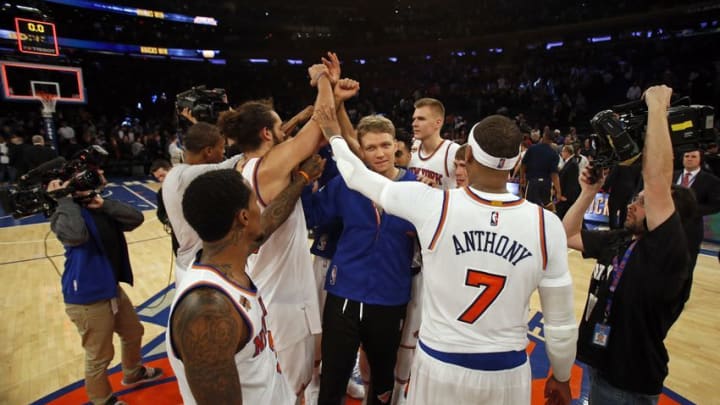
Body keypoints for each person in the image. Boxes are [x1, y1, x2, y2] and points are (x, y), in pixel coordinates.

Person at [314, 105, 578, 405]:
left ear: (467, 158)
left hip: (441, 363)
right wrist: (561, 375)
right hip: (507, 369)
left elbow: (355, 175)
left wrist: (334, 135)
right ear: (518, 161)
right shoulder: (548, 225)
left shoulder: (431, 204)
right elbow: (561, 323)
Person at [562, 85, 696, 404]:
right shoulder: (621, 239)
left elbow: (658, 178)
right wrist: (588, 193)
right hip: (597, 364)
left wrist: (657, 107)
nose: (632, 205)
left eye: (642, 201)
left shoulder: (666, 251)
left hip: (629, 382)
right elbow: (567, 235)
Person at [215, 63, 331, 400]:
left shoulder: (242, 166)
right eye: (279, 128)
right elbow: (322, 122)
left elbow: (309, 130)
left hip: (267, 287)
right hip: (282, 299)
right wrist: (323, 79)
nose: (285, 133)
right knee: (289, 388)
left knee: (286, 382)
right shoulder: (270, 167)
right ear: (267, 133)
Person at [167, 155, 324, 404]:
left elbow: (270, 219)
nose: (261, 208)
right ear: (243, 217)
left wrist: (302, 179)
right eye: (255, 202)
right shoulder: (207, 310)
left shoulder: (230, 256)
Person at [303, 115, 417, 405]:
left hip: (390, 299)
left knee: (381, 381)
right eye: (370, 148)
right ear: (361, 152)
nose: (379, 153)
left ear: (396, 146)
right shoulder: (346, 185)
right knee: (333, 378)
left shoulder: (417, 191)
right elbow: (313, 216)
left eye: (385, 145)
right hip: (344, 295)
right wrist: (304, 183)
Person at [48, 174, 162, 405]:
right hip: (86, 297)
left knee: (133, 332)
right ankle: (102, 399)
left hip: (110, 287)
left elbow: (136, 218)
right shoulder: (63, 215)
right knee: (99, 356)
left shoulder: (98, 207)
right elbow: (76, 236)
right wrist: (65, 200)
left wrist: (104, 204)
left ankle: (132, 372)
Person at [162, 122, 245, 284]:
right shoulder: (186, 176)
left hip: (187, 264)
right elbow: (234, 163)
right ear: (208, 151)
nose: (223, 153)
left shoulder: (176, 173)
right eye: (221, 148)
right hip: (198, 269)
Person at [673, 149, 720, 301]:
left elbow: (715, 204)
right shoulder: (673, 175)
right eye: (687, 156)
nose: (689, 159)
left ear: (700, 159)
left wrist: (691, 210)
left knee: (687, 264)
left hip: (691, 230)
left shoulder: (710, 180)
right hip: (669, 226)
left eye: (693, 156)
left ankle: (682, 297)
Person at [409, 98, 460, 188]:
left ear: (438, 123)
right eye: (414, 119)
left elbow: (468, 191)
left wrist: (437, 192)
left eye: (421, 119)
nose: (414, 124)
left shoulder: (454, 151)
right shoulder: (411, 148)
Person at [521, 128, 562, 209]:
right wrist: (558, 191)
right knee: (546, 208)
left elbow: (523, 164)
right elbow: (554, 175)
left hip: (532, 182)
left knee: (529, 207)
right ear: (552, 141)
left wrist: (522, 178)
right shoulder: (554, 154)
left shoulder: (532, 148)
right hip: (546, 184)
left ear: (543, 136)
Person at [556, 145, 581, 219]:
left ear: (567, 152)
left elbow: (572, 182)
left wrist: (566, 196)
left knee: (564, 216)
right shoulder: (569, 162)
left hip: (567, 197)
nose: (561, 153)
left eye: (563, 151)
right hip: (564, 195)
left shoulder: (572, 164)